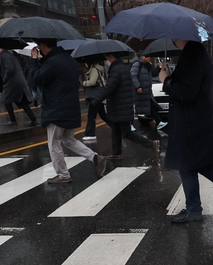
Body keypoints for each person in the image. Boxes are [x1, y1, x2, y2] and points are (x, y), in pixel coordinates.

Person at [158, 40, 213, 223]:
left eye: (175, 36)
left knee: (187, 165)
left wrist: (166, 81)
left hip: (191, 123)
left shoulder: (193, 55)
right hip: (195, 120)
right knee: (196, 164)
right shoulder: (196, 53)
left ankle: (195, 209)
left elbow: (188, 92)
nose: (173, 39)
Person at [27, 39, 107, 184]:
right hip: (70, 107)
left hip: (56, 109)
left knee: (54, 144)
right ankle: (95, 157)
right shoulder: (68, 60)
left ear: (43, 45)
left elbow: (36, 78)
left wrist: (33, 61)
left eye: (39, 47)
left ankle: (63, 175)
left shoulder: (53, 62)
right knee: (69, 140)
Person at [89, 53, 159, 160]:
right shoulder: (121, 68)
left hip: (120, 105)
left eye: (107, 57)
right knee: (116, 130)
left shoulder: (117, 69)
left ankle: (150, 144)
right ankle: (116, 153)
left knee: (126, 132)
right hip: (120, 104)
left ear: (111, 56)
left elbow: (110, 87)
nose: (106, 59)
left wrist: (96, 100)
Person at [0, 44, 38, 127]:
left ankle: (13, 120)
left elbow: (9, 69)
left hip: (12, 83)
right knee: (22, 102)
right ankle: (33, 119)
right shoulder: (9, 55)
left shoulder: (5, 56)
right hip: (17, 82)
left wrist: (4, 79)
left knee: (6, 100)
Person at [131, 53, 159, 128]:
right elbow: (133, 75)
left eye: (149, 56)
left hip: (146, 91)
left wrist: (158, 67)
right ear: (141, 57)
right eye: (147, 56)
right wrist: (138, 86)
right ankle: (130, 125)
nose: (149, 57)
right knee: (136, 108)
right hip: (140, 91)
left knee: (151, 106)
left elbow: (153, 73)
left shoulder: (147, 65)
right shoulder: (137, 64)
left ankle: (159, 121)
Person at [81, 60, 106, 142]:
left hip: (95, 96)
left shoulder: (94, 69)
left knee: (91, 116)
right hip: (98, 95)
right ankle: (119, 128)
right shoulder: (96, 68)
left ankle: (90, 134)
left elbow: (92, 82)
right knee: (103, 115)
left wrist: (84, 83)